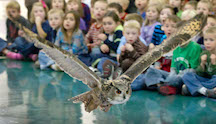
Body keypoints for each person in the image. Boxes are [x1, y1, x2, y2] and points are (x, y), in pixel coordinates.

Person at [182, 26, 216, 98]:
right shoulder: (204, 53)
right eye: (206, 40)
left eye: (211, 40)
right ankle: (204, 91)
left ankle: (194, 88)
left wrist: (214, 64)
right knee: (187, 74)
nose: (207, 43)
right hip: (206, 80)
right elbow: (200, 74)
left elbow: (213, 74)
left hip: (213, 80)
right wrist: (202, 64)